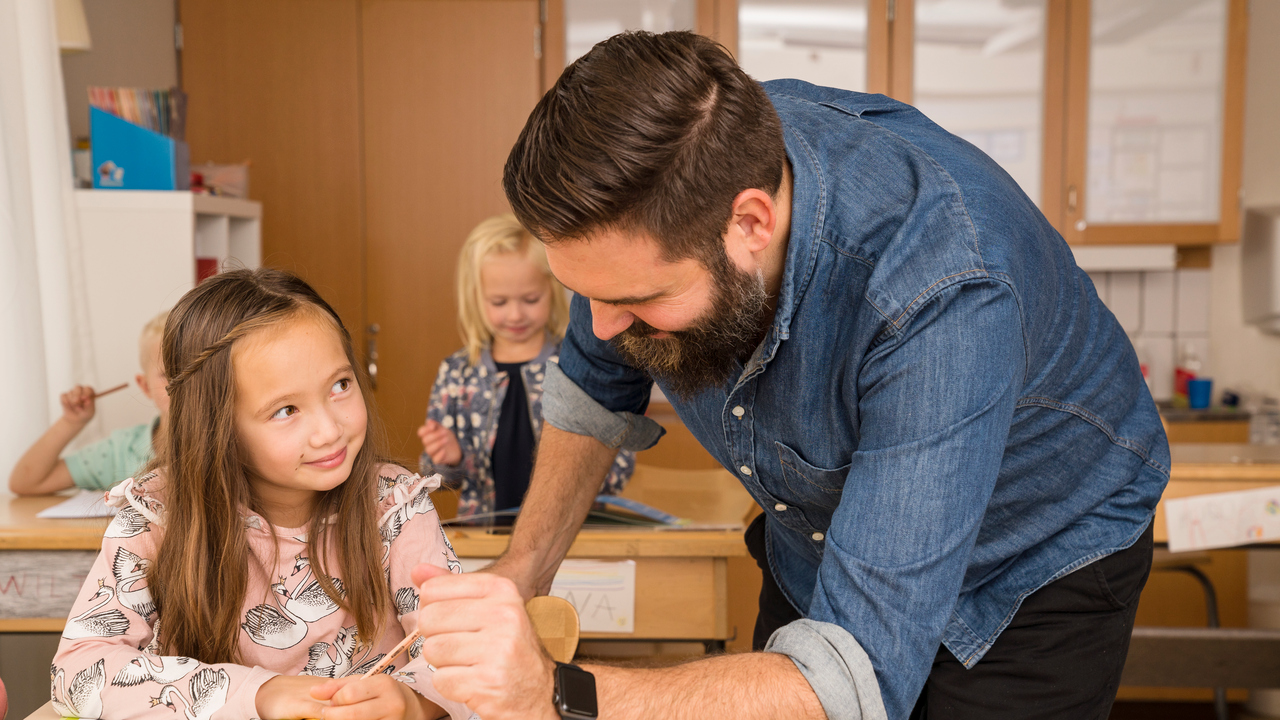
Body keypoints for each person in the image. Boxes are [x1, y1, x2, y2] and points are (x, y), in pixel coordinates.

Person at [408, 31, 1169, 720]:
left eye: (636, 299)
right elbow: (593, 383)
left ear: (750, 224)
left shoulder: (940, 293)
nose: (600, 327)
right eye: (583, 292)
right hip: (817, 540)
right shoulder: (666, 192)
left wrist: (556, 691)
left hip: (1030, 565)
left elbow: (851, 682)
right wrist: (523, 570)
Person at [51, 269, 475, 720]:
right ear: (217, 428)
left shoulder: (394, 504)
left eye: (340, 385)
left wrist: (413, 702)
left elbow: (462, 649)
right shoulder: (158, 514)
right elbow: (78, 670)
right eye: (286, 410)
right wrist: (261, 694)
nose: (329, 430)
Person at [417, 214, 633, 521]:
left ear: (552, 289)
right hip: (486, 536)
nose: (516, 314)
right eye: (499, 302)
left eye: (530, 299)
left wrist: (586, 465)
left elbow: (620, 465)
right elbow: (435, 478)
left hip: (574, 535)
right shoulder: (456, 373)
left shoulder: (580, 366)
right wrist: (450, 460)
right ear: (475, 297)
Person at [9, 311, 170, 496]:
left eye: (194, 370)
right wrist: (71, 422)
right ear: (145, 386)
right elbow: (26, 482)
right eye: (169, 373)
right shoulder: (121, 452)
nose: (185, 383)